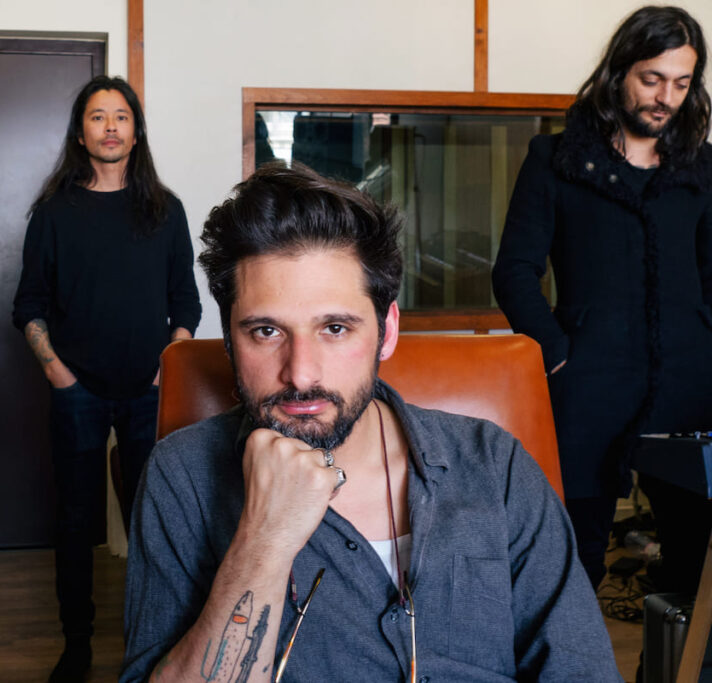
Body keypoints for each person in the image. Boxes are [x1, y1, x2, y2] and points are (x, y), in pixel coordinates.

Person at [121, 163, 620, 682]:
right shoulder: (182, 476)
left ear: (387, 332)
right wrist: (264, 542)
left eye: (335, 328)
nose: (301, 374)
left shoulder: (495, 465)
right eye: (266, 331)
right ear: (229, 341)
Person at [492, 6, 712, 593]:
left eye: (682, 83)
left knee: (694, 555)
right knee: (575, 555)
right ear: (619, 72)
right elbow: (514, 271)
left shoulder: (702, 167)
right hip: (588, 382)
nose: (666, 98)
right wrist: (556, 352)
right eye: (652, 79)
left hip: (689, 388)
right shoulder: (554, 159)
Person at [12, 75, 201, 682]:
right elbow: (29, 303)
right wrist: (57, 373)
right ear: (80, 132)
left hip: (150, 391)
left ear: (136, 132)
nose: (110, 127)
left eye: (121, 116)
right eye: (98, 117)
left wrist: (168, 365)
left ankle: (155, 639)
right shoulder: (54, 213)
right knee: (75, 520)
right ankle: (77, 644)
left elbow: (185, 301)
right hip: (79, 393)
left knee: (156, 520)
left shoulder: (165, 210)